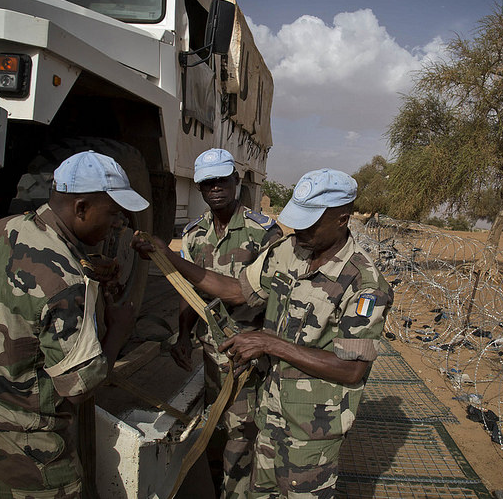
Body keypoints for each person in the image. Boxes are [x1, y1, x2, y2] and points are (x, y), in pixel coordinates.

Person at [132, 168, 393, 498]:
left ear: (342, 218)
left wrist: (271, 343)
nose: (299, 228)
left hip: (312, 429)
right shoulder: (290, 250)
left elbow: (351, 368)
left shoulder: (364, 284)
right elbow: (236, 290)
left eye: (311, 220)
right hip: (270, 413)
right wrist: (170, 258)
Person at [0, 150, 149, 498]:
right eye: (114, 213)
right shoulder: (67, 282)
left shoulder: (3, 230)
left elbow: (20, 301)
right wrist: (120, 326)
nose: (118, 224)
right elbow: (79, 388)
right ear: (81, 208)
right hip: (28, 445)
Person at [174, 148, 283, 498]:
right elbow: (189, 290)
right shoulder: (193, 234)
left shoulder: (264, 232)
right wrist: (182, 334)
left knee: (243, 436)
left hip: (249, 354)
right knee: (215, 431)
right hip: (211, 352)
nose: (215, 188)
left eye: (222, 180)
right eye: (207, 183)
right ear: (200, 189)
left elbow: (276, 297)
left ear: (236, 181)